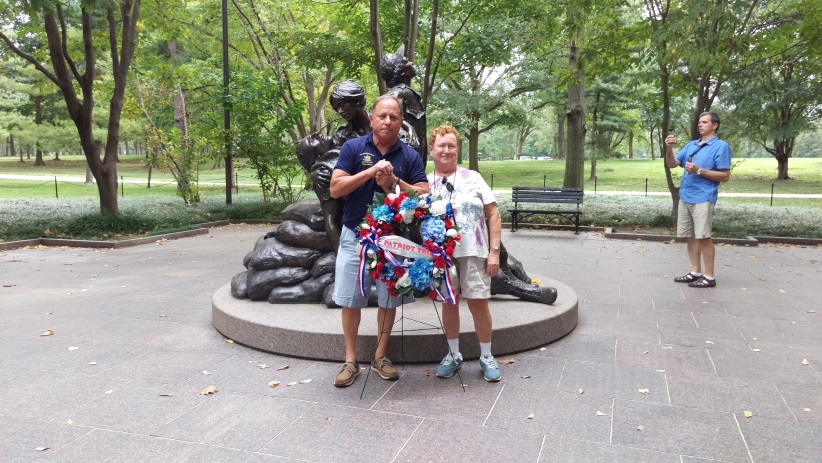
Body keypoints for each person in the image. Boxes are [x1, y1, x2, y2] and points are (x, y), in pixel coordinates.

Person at [328, 95, 429, 387]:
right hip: (354, 235)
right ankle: (350, 360)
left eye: (394, 117)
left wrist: (393, 182)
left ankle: (380, 357)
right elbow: (336, 188)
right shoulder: (353, 148)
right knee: (350, 299)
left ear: (400, 123)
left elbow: (423, 194)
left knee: (389, 299)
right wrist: (370, 172)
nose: (387, 121)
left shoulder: (408, 155)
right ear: (372, 118)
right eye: (382, 116)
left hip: (392, 240)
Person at [426, 125, 503, 382]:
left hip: (475, 251)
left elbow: (493, 214)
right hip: (443, 256)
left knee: (479, 303)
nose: (446, 150)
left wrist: (494, 252)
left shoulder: (473, 177)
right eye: (441, 146)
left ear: (457, 149)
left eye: (451, 146)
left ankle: (486, 355)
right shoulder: (425, 182)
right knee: (450, 303)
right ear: (432, 149)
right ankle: (454, 354)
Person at [296, 80, 371, 252]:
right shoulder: (342, 135)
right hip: (357, 203)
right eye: (337, 107)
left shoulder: (382, 123)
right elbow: (330, 161)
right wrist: (313, 172)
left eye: (343, 105)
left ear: (356, 100)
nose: (340, 111)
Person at [664, 112, 731, 288]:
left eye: (704, 122)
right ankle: (695, 272)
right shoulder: (691, 145)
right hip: (686, 196)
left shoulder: (721, 147)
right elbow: (672, 164)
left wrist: (699, 170)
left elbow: (724, 176)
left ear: (714, 125)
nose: (700, 125)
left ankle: (709, 277)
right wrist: (669, 149)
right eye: (699, 122)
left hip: (703, 197)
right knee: (691, 236)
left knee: (703, 237)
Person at [380, 45, 427, 165]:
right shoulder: (398, 93)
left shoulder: (405, 92)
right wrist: (407, 127)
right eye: (406, 61)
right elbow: (385, 118)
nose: (411, 63)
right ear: (401, 70)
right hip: (404, 162)